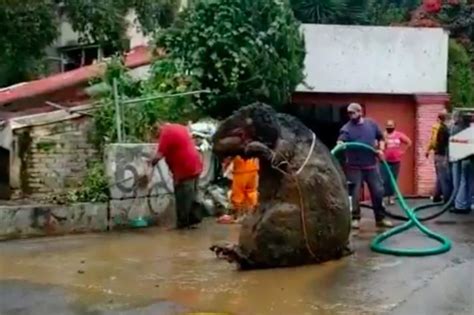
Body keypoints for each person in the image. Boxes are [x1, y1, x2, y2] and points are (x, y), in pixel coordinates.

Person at [337, 103, 393, 229]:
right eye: (349, 113)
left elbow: (381, 138)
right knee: (355, 194)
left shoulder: (371, 124)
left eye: (353, 113)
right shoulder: (347, 128)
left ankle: (380, 218)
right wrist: (340, 143)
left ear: (360, 112)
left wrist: (381, 150)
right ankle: (355, 218)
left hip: (371, 166)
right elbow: (342, 139)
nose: (351, 115)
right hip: (354, 167)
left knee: (378, 192)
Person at [150, 122, 203, 229]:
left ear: (158, 130)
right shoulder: (179, 127)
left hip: (184, 168)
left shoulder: (165, 133)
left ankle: (182, 225)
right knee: (192, 195)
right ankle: (193, 221)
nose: (158, 139)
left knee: (182, 196)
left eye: (156, 137)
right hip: (195, 164)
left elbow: (158, 155)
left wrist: (149, 164)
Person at [381, 120, 412, 205]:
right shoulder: (383, 135)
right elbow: (378, 145)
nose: (389, 127)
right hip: (384, 161)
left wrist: (403, 152)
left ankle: (391, 198)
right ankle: (383, 198)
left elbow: (409, 142)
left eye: (391, 125)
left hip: (396, 161)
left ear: (394, 126)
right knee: (384, 180)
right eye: (388, 125)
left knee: (393, 180)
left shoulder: (399, 135)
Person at [426, 111, 452, 203]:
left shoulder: (436, 128)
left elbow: (432, 141)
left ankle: (437, 196)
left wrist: (428, 150)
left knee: (440, 176)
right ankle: (447, 199)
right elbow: (445, 144)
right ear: (445, 119)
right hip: (442, 155)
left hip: (437, 154)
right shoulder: (444, 129)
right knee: (444, 177)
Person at [450, 113, 473, 214]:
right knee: (469, 183)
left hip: (465, 159)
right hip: (468, 159)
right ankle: (466, 204)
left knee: (463, 182)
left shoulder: (458, 130)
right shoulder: (468, 130)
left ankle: (460, 205)